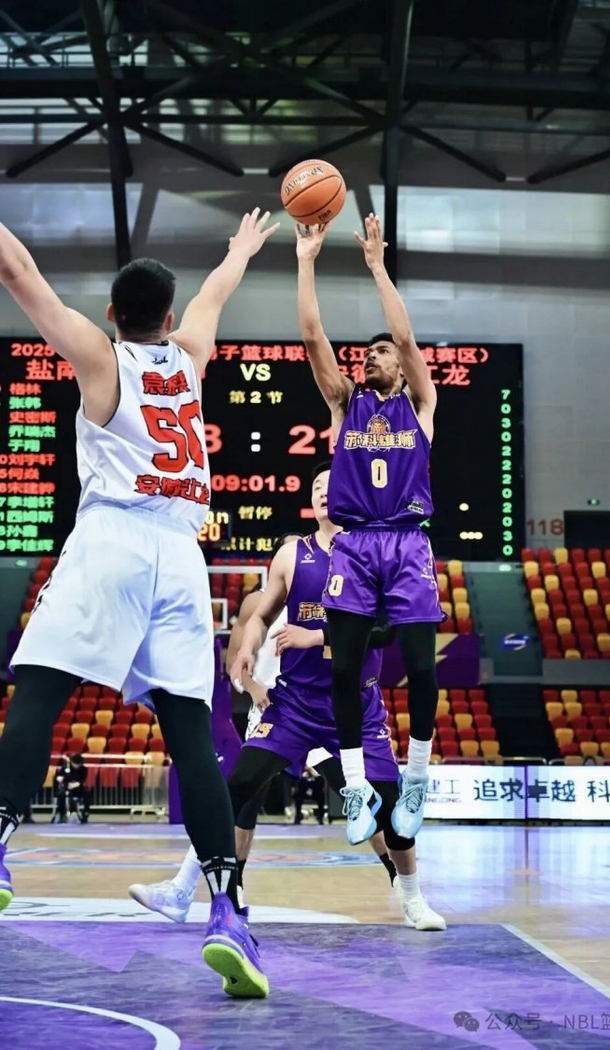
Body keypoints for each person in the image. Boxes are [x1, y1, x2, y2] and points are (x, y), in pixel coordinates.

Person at [0, 208, 278, 998]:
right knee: (190, 735)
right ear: (169, 313)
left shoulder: (101, 355)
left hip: (114, 541)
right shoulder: (191, 356)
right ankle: (227, 911)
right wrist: (241, 250)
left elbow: (19, 273)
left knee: (40, 688)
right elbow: (215, 295)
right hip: (183, 559)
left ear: (114, 314)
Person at [130, 468, 444, 932]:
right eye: (316, 488)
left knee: (390, 807)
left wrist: (317, 637)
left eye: (332, 486)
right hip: (295, 704)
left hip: (355, 708)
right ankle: (182, 888)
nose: (323, 493)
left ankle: (412, 897)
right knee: (238, 786)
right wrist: (248, 647)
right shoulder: (292, 554)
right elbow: (260, 616)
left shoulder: (376, 552)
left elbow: (385, 632)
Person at [297, 214, 442, 844]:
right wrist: (306, 261)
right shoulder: (344, 404)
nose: (371, 355)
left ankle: (417, 778)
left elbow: (405, 336)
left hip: (406, 541)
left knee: (422, 668)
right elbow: (312, 336)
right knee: (345, 670)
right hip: (354, 544)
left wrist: (377, 267)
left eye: (381, 352)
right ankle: (356, 788)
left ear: (403, 369)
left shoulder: (420, 405)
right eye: (368, 351)